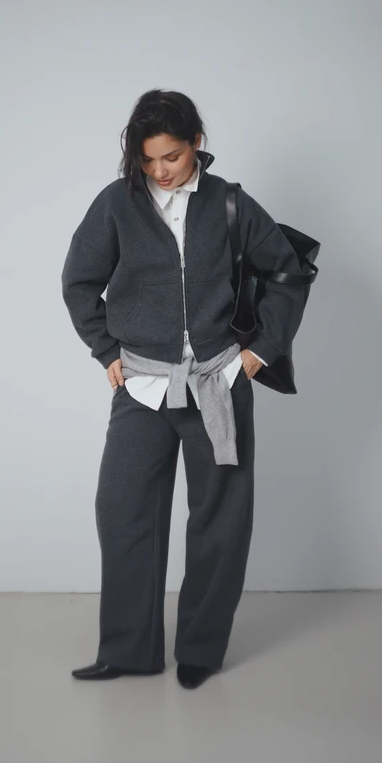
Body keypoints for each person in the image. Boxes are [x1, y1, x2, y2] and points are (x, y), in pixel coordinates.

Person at [61, 88, 305, 689]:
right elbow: (79, 281)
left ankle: (200, 648)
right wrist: (106, 351)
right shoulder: (116, 204)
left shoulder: (229, 203)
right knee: (122, 511)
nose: (159, 170)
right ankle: (129, 649)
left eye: (171, 156)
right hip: (142, 388)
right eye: (147, 159)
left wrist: (258, 351)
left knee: (220, 519)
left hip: (217, 384)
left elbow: (286, 272)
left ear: (197, 142)